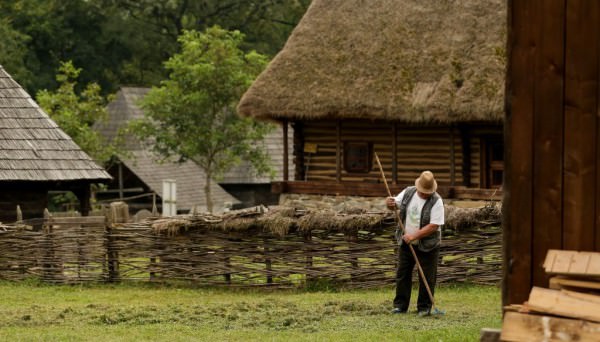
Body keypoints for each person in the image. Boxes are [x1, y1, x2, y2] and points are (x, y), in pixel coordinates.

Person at [385, 170, 444, 316]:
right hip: (407, 243)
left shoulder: (436, 200)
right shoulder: (408, 192)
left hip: (428, 245)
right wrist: (389, 203)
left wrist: (414, 236)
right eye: (423, 191)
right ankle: (400, 306)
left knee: (427, 277)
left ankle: (424, 308)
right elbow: (394, 205)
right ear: (418, 187)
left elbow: (434, 225)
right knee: (403, 274)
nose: (425, 194)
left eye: (428, 191)